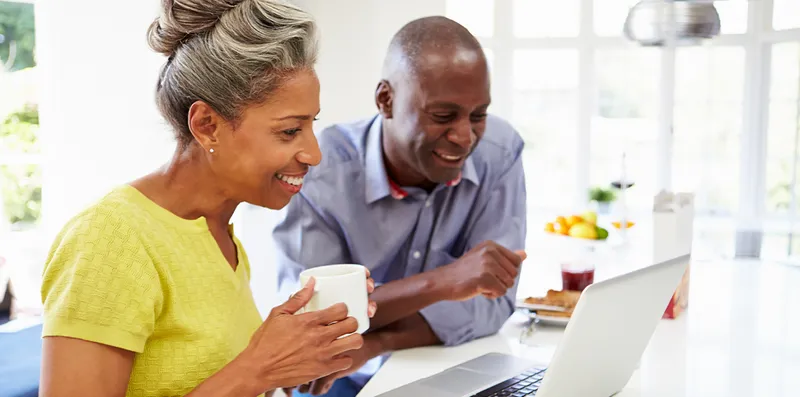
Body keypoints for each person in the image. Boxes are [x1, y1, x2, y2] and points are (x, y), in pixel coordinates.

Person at [38, 1, 376, 396]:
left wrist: (291, 367)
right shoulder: (110, 240)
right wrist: (257, 370)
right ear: (207, 125)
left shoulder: (219, 238)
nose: (314, 155)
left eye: (310, 125)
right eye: (289, 131)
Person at [273, 16, 527, 397]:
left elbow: (492, 304)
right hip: (340, 378)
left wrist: (375, 343)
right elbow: (313, 324)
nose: (464, 137)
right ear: (385, 100)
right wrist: (444, 283)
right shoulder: (322, 172)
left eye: (478, 116)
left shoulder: (500, 152)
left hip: (450, 366)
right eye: (442, 116)